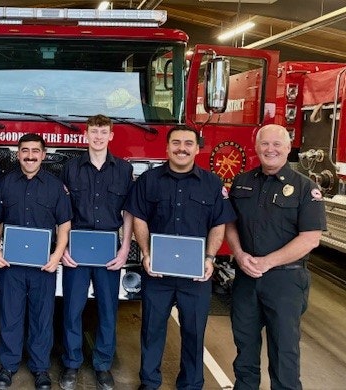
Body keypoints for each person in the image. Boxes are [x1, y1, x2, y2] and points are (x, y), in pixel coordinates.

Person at [127, 125, 235, 390]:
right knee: (152, 330)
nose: (182, 148)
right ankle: (149, 382)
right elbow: (139, 217)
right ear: (167, 147)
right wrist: (146, 253)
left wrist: (210, 257)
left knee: (194, 332)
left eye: (188, 143)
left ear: (197, 149)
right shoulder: (148, 180)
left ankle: (191, 384)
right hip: (157, 274)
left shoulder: (212, 183)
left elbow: (218, 223)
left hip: (195, 275)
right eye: (176, 143)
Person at [225, 124, 326, 390]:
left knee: (284, 351)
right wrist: (238, 253)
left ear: (288, 147)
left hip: (286, 281)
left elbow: (310, 238)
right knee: (244, 345)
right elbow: (230, 222)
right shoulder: (242, 181)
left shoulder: (306, 188)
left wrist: (267, 262)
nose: (271, 150)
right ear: (256, 147)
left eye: (277, 144)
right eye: (265, 144)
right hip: (246, 279)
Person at [0, 133, 72, 390]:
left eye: (35, 151)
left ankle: (40, 368)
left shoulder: (55, 186)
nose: (29, 156)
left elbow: (64, 224)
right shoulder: (4, 183)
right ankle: (8, 366)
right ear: (18, 154)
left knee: (42, 318)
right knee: (10, 316)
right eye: (24, 151)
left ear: (43, 155)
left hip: (42, 266)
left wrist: (56, 256)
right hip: (11, 265)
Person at [58, 114, 133, 390]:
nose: (98, 137)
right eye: (94, 132)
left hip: (108, 249)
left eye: (103, 132)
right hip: (76, 248)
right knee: (72, 309)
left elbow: (129, 212)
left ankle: (103, 365)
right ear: (86, 135)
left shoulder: (124, 170)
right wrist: (63, 245)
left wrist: (125, 248)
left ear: (111, 135)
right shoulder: (70, 168)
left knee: (107, 310)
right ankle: (71, 363)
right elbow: (62, 211)